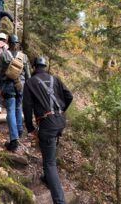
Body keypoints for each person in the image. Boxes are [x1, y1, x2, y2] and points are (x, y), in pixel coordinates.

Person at [23, 57, 73, 204]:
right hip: (60, 121)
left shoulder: (30, 83)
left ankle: (59, 201)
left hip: (47, 124)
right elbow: (69, 96)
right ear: (45, 67)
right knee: (49, 150)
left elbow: (27, 108)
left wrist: (30, 128)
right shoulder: (55, 79)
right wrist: (61, 110)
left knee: (50, 163)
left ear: (34, 67)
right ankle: (46, 177)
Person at [0, 34, 31, 152]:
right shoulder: (24, 57)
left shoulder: (4, 55)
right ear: (18, 43)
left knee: (10, 110)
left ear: (8, 43)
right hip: (21, 86)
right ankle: (19, 130)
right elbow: (28, 74)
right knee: (18, 108)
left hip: (9, 86)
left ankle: (14, 140)